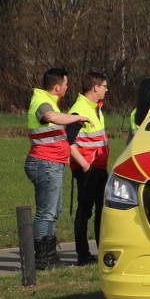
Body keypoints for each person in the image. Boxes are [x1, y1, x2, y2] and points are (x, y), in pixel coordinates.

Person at [25, 69, 87, 271]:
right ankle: (43, 260)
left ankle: (50, 256)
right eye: (66, 84)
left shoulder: (49, 101)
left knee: (54, 210)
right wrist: (75, 119)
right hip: (45, 164)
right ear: (57, 87)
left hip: (53, 164)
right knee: (46, 213)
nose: (67, 88)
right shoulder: (42, 101)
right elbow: (49, 116)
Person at [67, 72, 110, 266]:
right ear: (95, 88)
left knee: (104, 210)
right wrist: (85, 166)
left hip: (99, 167)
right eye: (104, 86)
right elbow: (68, 142)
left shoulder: (95, 108)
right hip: (88, 169)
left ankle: (103, 251)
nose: (106, 90)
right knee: (85, 212)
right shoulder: (79, 109)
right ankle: (83, 255)